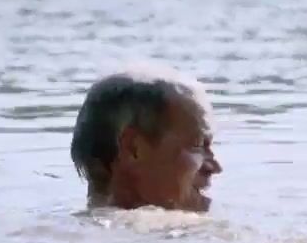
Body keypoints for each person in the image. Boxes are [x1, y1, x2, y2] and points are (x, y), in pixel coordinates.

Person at [70, 66, 222, 212]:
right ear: (133, 148)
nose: (215, 168)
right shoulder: (163, 224)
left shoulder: (81, 225)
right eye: (197, 144)